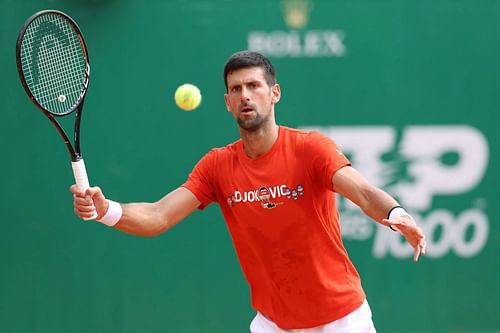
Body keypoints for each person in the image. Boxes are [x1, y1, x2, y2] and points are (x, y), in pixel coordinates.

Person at [71, 50, 426, 333]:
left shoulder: (310, 149)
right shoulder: (217, 166)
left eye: (254, 86)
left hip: (343, 321)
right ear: (227, 102)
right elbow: (158, 216)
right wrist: (105, 210)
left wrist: (398, 215)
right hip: (274, 324)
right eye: (236, 89)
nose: (245, 96)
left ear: (274, 93)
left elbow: (363, 193)